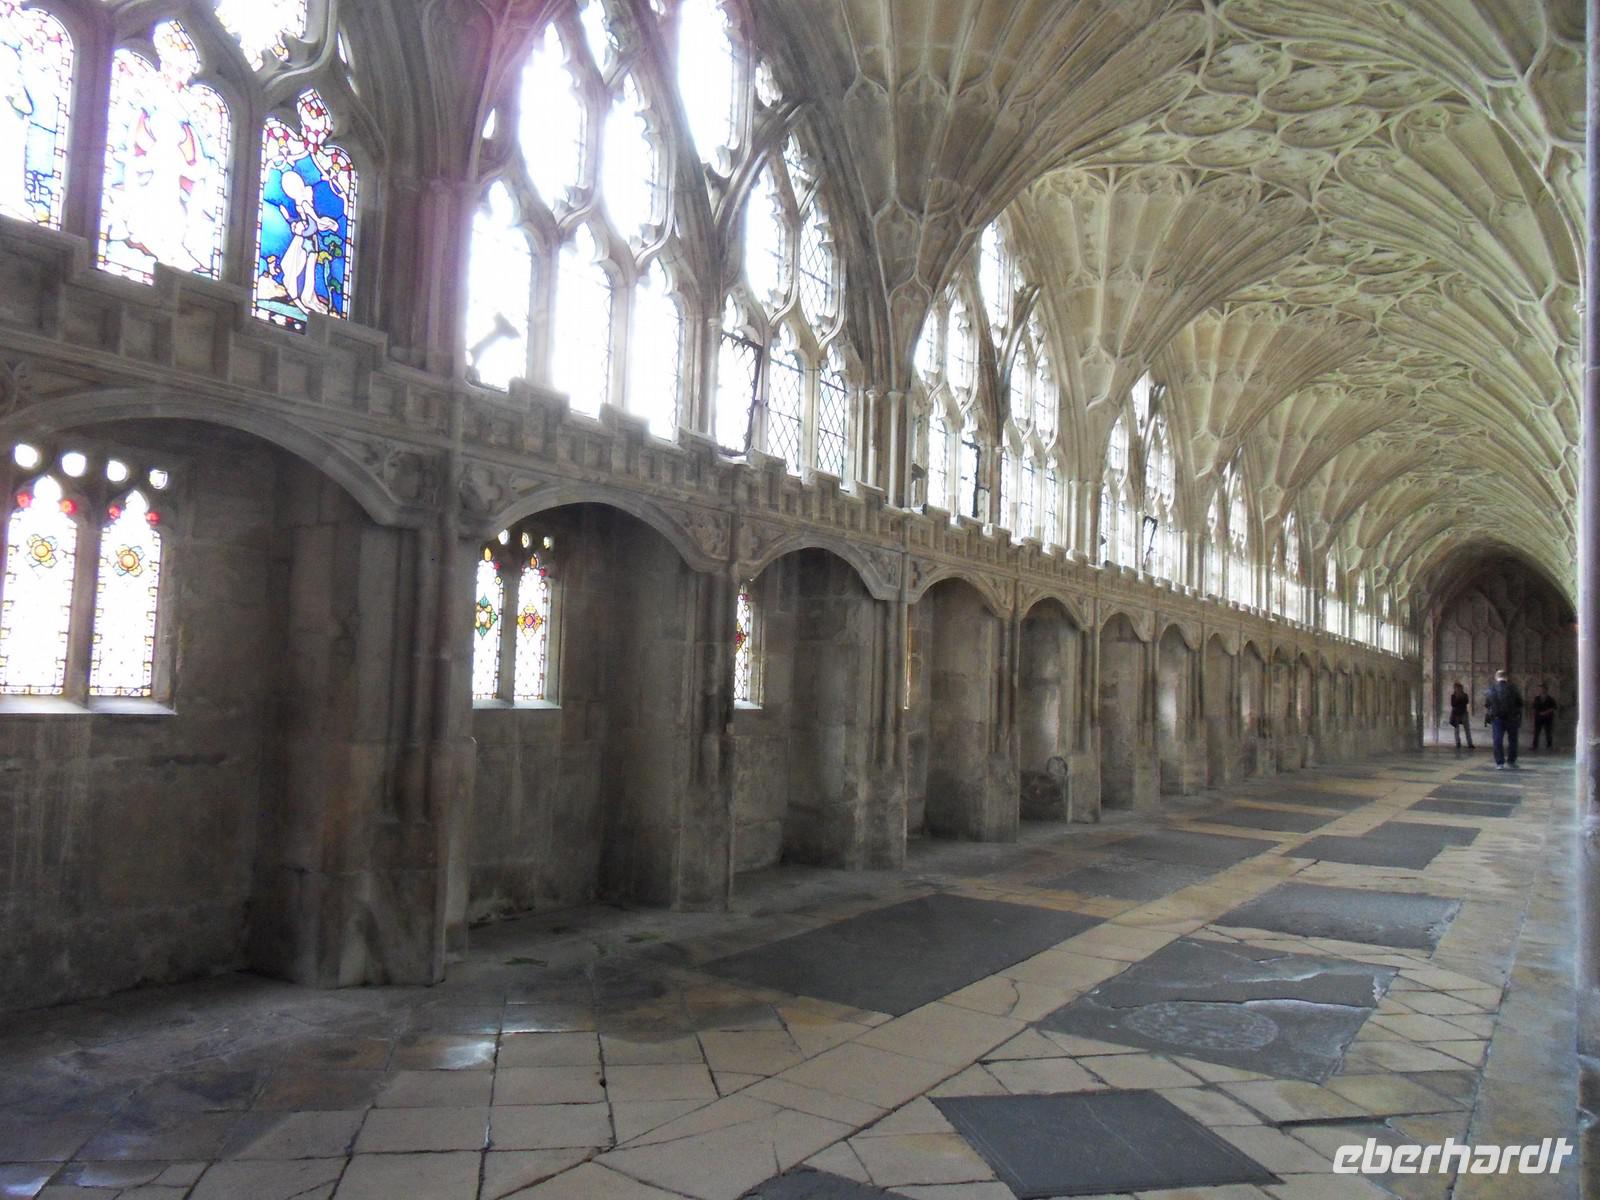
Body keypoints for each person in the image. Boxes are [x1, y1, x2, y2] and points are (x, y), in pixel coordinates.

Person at [1483, 669, 1523, 770]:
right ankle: (1511, 761)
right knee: (1513, 740)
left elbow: (1487, 704)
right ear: (1507, 678)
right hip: (1512, 718)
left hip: (1497, 719)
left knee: (1497, 740)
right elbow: (1520, 703)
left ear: (1496, 678)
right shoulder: (1513, 688)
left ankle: (1499, 763)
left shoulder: (1491, 689)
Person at [1447, 681, 1474, 749]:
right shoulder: (1453, 696)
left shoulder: (1465, 695)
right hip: (1456, 714)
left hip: (1464, 713)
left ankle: (1470, 743)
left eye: (1459, 688)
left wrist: (1460, 698)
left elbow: (1466, 702)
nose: (1458, 689)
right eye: (1456, 688)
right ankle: (1458, 743)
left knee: (1467, 729)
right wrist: (1458, 698)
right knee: (1456, 730)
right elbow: (1453, 704)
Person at [1531, 684, 1558, 750]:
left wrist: (1546, 712)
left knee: (1548, 732)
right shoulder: (1537, 698)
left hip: (1547, 718)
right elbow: (1534, 708)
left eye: (1542, 689)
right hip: (1538, 718)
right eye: (1540, 689)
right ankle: (1535, 746)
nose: (1541, 690)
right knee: (1536, 732)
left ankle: (1549, 745)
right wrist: (1534, 716)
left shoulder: (1550, 699)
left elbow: (1554, 708)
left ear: (1546, 690)